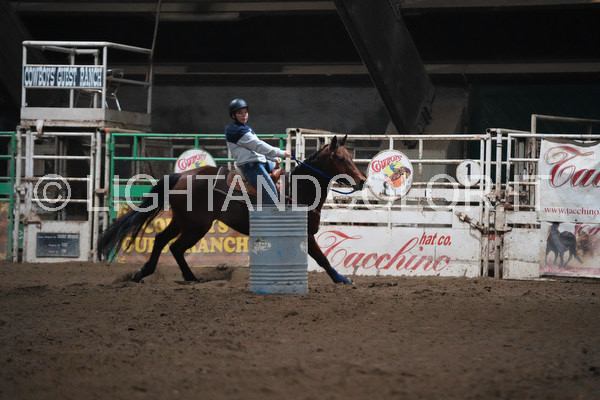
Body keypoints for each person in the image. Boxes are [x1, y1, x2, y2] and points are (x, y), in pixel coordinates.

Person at [225, 98, 291, 204]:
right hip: (251, 166)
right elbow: (258, 146)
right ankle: (265, 214)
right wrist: (281, 153)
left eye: (245, 112)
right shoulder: (235, 130)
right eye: (240, 113)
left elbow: (256, 148)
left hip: (261, 163)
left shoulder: (246, 128)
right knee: (272, 197)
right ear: (233, 115)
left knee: (286, 178)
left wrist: (273, 158)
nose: (244, 115)